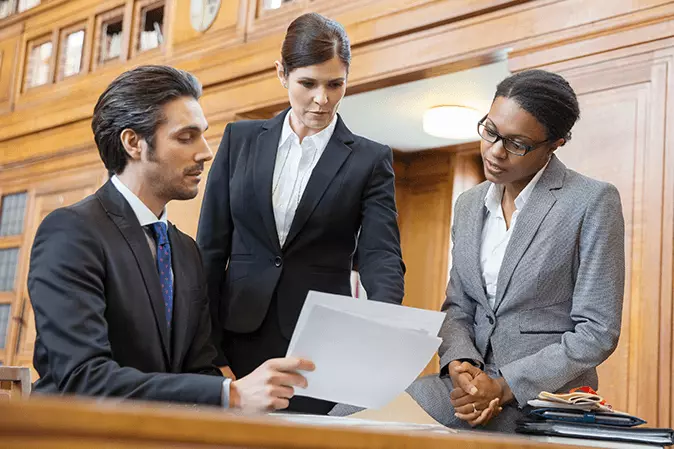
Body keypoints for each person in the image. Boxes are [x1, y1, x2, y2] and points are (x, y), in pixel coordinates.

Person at [333, 69, 625, 430]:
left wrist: (502, 387)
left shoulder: (591, 201)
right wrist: (459, 362)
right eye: (490, 131)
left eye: (516, 144)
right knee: (344, 415)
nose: (495, 152)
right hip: (465, 387)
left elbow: (597, 331)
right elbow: (459, 305)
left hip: (542, 397)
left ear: (555, 143)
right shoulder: (469, 204)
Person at [28, 65, 313, 411]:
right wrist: (231, 394)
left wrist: (257, 392)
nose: (206, 152)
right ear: (133, 143)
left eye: (203, 135)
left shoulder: (185, 250)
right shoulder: (71, 232)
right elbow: (84, 379)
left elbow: (198, 369)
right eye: (185, 137)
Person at [197, 12, 405, 414]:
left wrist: (385, 326)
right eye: (307, 83)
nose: (322, 99)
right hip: (236, 339)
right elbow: (210, 250)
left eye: (335, 84)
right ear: (282, 74)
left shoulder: (369, 159)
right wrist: (206, 350)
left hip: (318, 347)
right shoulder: (239, 141)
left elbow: (380, 254)